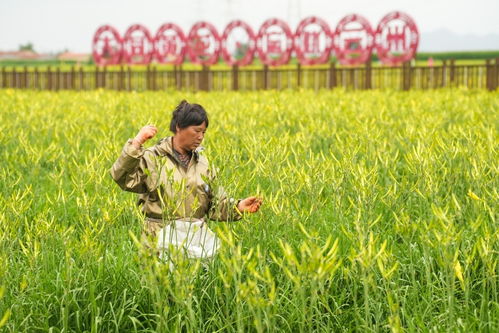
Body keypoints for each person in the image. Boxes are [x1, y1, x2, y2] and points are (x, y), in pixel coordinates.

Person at [110, 100, 262, 260]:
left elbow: (214, 204)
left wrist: (238, 207)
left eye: (204, 132)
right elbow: (121, 177)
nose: (201, 137)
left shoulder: (203, 163)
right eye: (197, 131)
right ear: (179, 127)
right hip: (159, 240)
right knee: (159, 284)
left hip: (196, 241)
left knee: (195, 284)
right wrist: (137, 143)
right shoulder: (153, 157)